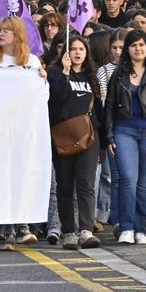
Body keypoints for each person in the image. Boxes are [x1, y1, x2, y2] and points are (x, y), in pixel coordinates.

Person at [0, 16, 45, 249]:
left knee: (22, 175)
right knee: (2, 179)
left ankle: (23, 225)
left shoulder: (32, 61)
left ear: (18, 35)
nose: (1, 34)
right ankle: (6, 232)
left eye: (7, 30)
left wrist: (43, 81)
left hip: (23, 129)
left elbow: (41, 98)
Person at [104, 29, 146, 245]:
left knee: (143, 184)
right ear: (127, 49)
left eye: (142, 45)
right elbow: (110, 107)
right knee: (128, 180)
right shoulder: (119, 73)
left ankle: (141, 228)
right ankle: (126, 227)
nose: (138, 49)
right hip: (124, 131)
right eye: (133, 45)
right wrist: (110, 136)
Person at [47, 36, 102, 250]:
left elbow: (98, 108)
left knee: (86, 184)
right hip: (63, 136)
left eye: (81, 49)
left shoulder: (91, 76)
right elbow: (56, 98)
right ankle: (68, 231)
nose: (77, 53)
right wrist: (65, 73)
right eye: (73, 49)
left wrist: (105, 142)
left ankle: (86, 229)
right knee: (65, 186)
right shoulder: (54, 73)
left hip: (88, 136)